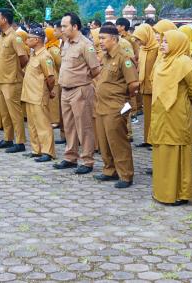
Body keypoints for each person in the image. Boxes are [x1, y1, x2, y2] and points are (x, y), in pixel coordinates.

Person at [150, 30, 192, 204]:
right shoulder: (161, 61)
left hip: (177, 113)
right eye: (162, 41)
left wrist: (183, 102)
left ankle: (180, 193)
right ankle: (162, 191)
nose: (162, 44)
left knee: (177, 150)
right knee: (161, 149)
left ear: (177, 43)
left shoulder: (185, 62)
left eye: (166, 41)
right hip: (160, 112)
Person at [54, 12, 101, 174]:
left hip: (80, 89)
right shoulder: (66, 43)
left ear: (75, 26)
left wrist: (83, 81)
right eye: (61, 26)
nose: (62, 28)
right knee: (68, 125)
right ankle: (70, 157)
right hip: (65, 90)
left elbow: (95, 69)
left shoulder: (85, 44)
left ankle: (87, 160)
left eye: (65, 26)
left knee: (84, 126)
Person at [93, 25, 139, 187]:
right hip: (101, 106)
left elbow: (133, 84)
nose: (100, 42)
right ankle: (109, 170)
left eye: (103, 38)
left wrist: (124, 99)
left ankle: (125, 175)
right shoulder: (105, 57)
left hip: (116, 106)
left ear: (114, 39)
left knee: (118, 142)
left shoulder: (124, 58)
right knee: (104, 142)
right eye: (100, 38)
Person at [0, 9, 29, 153]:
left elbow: (24, 58)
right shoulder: (0, 38)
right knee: (4, 113)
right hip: (0, 80)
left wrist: (16, 72)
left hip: (11, 80)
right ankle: (8, 138)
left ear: (4, 20)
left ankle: (20, 142)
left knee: (15, 113)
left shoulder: (15, 37)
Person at [21, 26, 57, 162]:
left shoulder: (45, 56)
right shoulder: (33, 54)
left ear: (36, 40)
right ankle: (37, 150)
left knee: (43, 124)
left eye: (29, 38)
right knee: (32, 124)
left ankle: (48, 152)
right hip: (29, 94)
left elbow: (51, 78)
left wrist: (49, 90)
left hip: (38, 94)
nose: (27, 40)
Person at [132, 24, 159, 148]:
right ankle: (147, 138)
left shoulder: (157, 49)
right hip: (144, 86)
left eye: (139, 39)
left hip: (155, 87)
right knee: (147, 115)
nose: (138, 42)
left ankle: (155, 139)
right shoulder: (143, 49)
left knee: (155, 115)